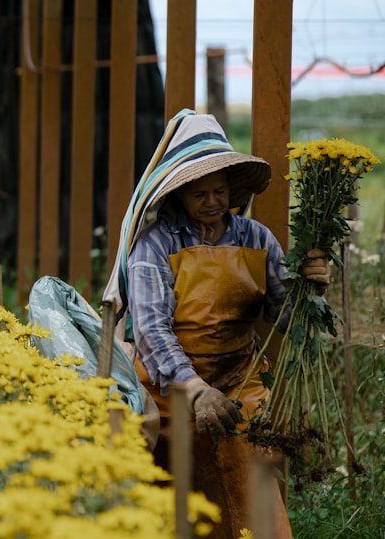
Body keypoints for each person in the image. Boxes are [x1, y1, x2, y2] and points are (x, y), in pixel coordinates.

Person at [124, 112, 329, 539]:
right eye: (200, 194)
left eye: (220, 191)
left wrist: (311, 290)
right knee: (172, 502)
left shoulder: (256, 238)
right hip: (169, 390)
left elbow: (282, 317)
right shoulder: (156, 243)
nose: (213, 202)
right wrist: (195, 388)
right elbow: (150, 330)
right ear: (179, 193)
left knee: (253, 503)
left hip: (241, 384)